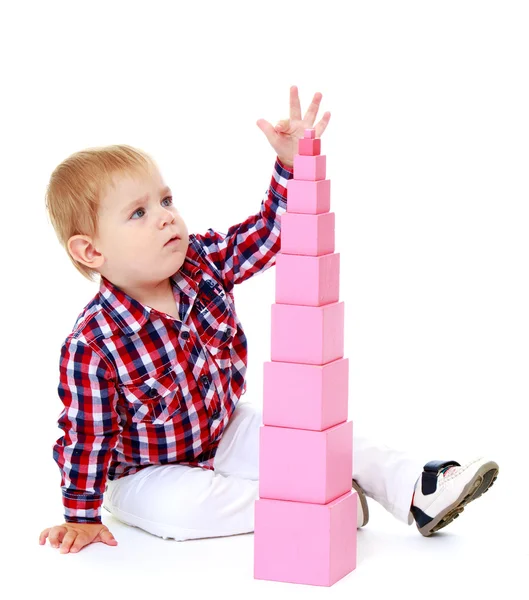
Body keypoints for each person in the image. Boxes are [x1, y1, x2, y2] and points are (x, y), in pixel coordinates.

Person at [39, 86, 498, 555]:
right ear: (92, 251)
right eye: (138, 213)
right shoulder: (93, 343)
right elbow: (85, 434)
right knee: (183, 511)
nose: (165, 218)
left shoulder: (202, 263)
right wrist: (80, 516)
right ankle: (316, 505)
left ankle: (416, 489)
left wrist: (292, 167)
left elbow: (271, 233)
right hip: (145, 473)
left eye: (166, 200)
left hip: (224, 431)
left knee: (317, 434)